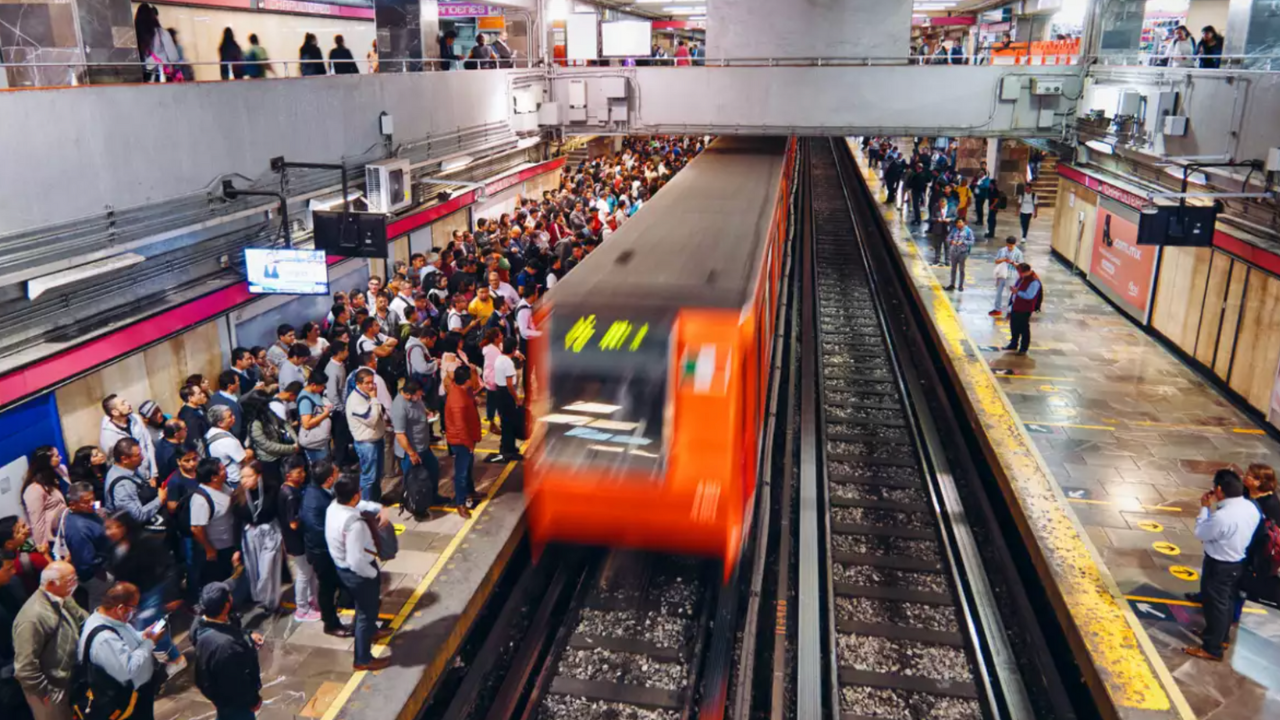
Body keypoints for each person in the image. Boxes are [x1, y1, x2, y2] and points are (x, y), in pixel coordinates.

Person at [1183, 470, 1262, 661]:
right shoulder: (1250, 507)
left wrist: (1204, 508)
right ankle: (1220, 637)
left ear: (1219, 489)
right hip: (1236, 563)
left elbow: (1201, 533)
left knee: (1214, 606)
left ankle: (1212, 648)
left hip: (1219, 565)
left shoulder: (1223, 516)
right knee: (1225, 603)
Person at [101, 513, 185, 673]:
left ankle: (176, 658)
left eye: (115, 527)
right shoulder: (114, 548)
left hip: (152, 591)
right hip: (132, 596)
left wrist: (172, 595)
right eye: (108, 528)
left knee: (150, 626)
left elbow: (169, 567)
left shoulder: (146, 542)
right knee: (139, 629)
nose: (110, 532)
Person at [325, 475, 392, 671]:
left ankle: (372, 630)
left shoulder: (333, 507)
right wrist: (371, 574)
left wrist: (378, 507)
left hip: (342, 567)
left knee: (366, 610)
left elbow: (360, 504)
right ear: (355, 496)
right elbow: (356, 561)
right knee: (365, 612)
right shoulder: (354, 525)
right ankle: (362, 659)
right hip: (358, 572)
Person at [78, 582, 165, 720]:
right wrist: (150, 642)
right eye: (133, 608)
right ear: (120, 608)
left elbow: (124, 641)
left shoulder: (112, 621)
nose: (134, 612)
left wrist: (143, 636)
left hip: (137, 697)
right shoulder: (104, 639)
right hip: (126, 706)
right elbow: (128, 669)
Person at [14, 562, 86, 720]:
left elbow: (83, 619)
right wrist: (43, 693)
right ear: (52, 584)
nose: (75, 584)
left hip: (67, 680)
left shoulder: (64, 598)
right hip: (48, 690)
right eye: (70, 580)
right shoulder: (32, 617)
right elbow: (25, 667)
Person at [191, 581, 263, 720]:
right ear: (226, 606)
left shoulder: (199, 625)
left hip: (218, 695)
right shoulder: (228, 646)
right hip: (235, 703)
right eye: (229, 596)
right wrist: (253, 700)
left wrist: (246, 635)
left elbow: (225, 628)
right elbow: (238, 682)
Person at [300, 459, 353, 637]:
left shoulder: (318, 491)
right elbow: (318, 530)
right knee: (327, 588)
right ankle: (330, 623)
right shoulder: (316, 500)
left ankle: (346, 602)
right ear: (329, 479)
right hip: (322, 553)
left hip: (326, 550)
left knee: (338, 583)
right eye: (335, 473)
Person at [233, 461, 283, 613]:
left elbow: (280, 514)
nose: (245, 480)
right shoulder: (238, 495)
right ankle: (262, 600)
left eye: (249, 476)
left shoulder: (272, 489)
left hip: (270, 533)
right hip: (250, 535)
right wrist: (237, 549)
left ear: (259, 476)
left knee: (268, 569)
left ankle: (272, 602)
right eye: (242, 477)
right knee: (254, 569)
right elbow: (236, 523)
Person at [276, 455, 318, 622]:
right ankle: (302, 608)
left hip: (295, 539)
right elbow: (293, 523)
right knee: (304, 574)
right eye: (299, 472)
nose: (303, 475)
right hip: (296, 540)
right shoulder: (291, 495)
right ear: (288, 476)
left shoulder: (286, 489)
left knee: (308, 572)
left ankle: (310, 599)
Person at [189, 459, 238, 593]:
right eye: (222, 469)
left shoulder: (224, 486)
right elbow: (196, 528)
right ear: (213, 477)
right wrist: (209, 549)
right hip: (216, 549)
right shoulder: (201, 500)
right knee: (217, 582)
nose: (225, 471)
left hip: (229, 543)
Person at [60, 484, 111, 611]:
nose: (92, 503)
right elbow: (86, 563)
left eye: (92, 499)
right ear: (73, 505)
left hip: (104, 563)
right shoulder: (78, 529)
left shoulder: (87, 512)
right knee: (101, 603)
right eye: (86, 502)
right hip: (97, 575)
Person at [391, 379, 441, 504]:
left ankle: (432, 497)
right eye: (418, 394)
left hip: (423, 446)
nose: (421, 396)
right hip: (411, 451)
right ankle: (414, 504)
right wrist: (411, 453)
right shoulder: (399, 407)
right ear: (408, 394)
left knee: (433, 469)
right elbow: (400, 435)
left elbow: (421, 407)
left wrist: (428, 413)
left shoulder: (415, 399)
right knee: (413, 481)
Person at [445, 366, 482, 519]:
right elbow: (460, 427)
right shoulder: (457, 400)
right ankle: (460, 503)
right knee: (461, 472)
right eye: (473, 376)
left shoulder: (460, 390)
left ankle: (470, 491)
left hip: (466, 438)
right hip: (462, 441)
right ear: (467, 380)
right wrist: (469, 444)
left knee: (467, 468)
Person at [346, 369, 388, 502]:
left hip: (377, 439)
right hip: (367, 444)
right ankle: (366, 507)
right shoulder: (355, 401)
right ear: (358, 384)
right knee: (369, 478)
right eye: (367, 383)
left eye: (372, 383)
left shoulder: (366, 395)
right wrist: (375, 398)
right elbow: (372, 419)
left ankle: (375, 502)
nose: (371, 386)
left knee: (377, 476)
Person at [1242, 464, 1280, 608]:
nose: (1245, 477)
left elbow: (1269, 532)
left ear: (1259, 482)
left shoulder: (1270, 504)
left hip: (1257, 548)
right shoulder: (1246, 492)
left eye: (1249, 475)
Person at [104, 438, 166, 525]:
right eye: (138, 455)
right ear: (124, 459)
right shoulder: (123, 485)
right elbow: (136, 516)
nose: (142, 457)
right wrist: (160, 500)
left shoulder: (127, 468)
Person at [98, 395, 157, 480]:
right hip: (134, 479)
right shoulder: (108, 435)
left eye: (126, 401)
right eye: (123, 404)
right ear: (115, 412)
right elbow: (118, 463)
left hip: (149, 473)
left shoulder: (135, 418)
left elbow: (148, 443)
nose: (128, 404)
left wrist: (154, 473)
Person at [22, 447, 67, 549]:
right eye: (56, 456)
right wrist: (43, 547)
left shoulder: (60, 471)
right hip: (54, 538)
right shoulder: (34, 489)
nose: (60, 457)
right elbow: (37, 522)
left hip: (65, 526)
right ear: (46, 461)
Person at [1004, 263, 1042, 356]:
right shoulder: (1023, 278)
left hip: (1024, 308)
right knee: (1014, 326)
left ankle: (1023, 348)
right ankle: (1013, 343)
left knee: (1023, 328)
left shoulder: (1034, 282)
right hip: (1015, 306)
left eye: (1020, 272)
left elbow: (1029, 296)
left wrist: (1017, 292)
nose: (1019, 274)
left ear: (1026, 271)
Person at [989, 237, 1024, 317]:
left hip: (1011, 275)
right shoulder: (1002, 250)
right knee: (998, 292)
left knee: (1010, 294)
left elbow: (1021, 265)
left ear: (1014, 244)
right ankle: (997, 309)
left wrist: (1013, 263)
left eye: (1011, 246)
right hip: (1001, 275)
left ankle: (1010, 311)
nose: (1009, 247)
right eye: (1008, 245)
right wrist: (1003, 260)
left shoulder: (1018, 253)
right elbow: (996, 261)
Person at [943, 218, 975, 292]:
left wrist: (963, 242)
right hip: (953, 252)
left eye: (960, 222)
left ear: (964, 223)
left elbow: (972, 241)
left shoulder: (968, 231)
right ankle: (952, 284)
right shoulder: (954, 230)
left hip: (963, 253)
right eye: (957, 223)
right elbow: (948, 238)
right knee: (953, 269)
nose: (959, 224)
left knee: (961, 269)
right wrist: (951, 241)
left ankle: (960, 285)